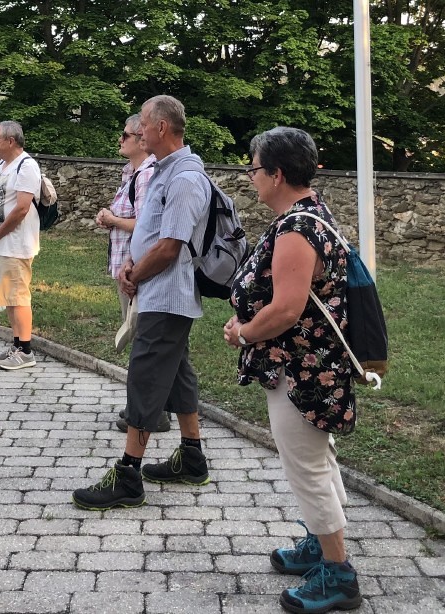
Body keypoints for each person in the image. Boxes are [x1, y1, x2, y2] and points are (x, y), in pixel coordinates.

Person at [222, 127, 362, 613]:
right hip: (308, 364)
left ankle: (339, 575)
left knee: (307, 468)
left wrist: (244, 332)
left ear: (277, 174)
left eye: (254, 168)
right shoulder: (309, 215)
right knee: (317, 459)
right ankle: (320, 546)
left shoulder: (297, 229)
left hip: (302, 371)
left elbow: (286, 309)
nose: (251, 177)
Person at [72, 95, 211, 510]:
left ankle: (128, 476)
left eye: (143, 125)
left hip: (167, 295)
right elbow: (151, 232)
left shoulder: (185, 177)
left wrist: (135, 274)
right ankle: (192, 457)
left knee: (145, 377)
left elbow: (169, 247)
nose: (138, 131)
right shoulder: (165, 171)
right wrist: (132, 258)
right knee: (178, 373)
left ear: (161, 128)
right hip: (159, 292)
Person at [93, 115, 170, 433]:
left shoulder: (146, 175)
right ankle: (147, 407)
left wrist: (112, 220)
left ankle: (149, 411)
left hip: (138, 270)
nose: (119, 139)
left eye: (125, 135)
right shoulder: (132, 173)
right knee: (142, 339)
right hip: (128, 268)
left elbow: (147, 224)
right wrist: (109, 217)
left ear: (141, 139)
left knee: (143, 341)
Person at [0, 120, 41, 370]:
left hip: (15, 243)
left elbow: (21, 208)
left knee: (18, 295)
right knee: (9, 296)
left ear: (10, 141)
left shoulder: (26, 166)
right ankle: (16, 344)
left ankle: (26, 351)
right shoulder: (2, 165)